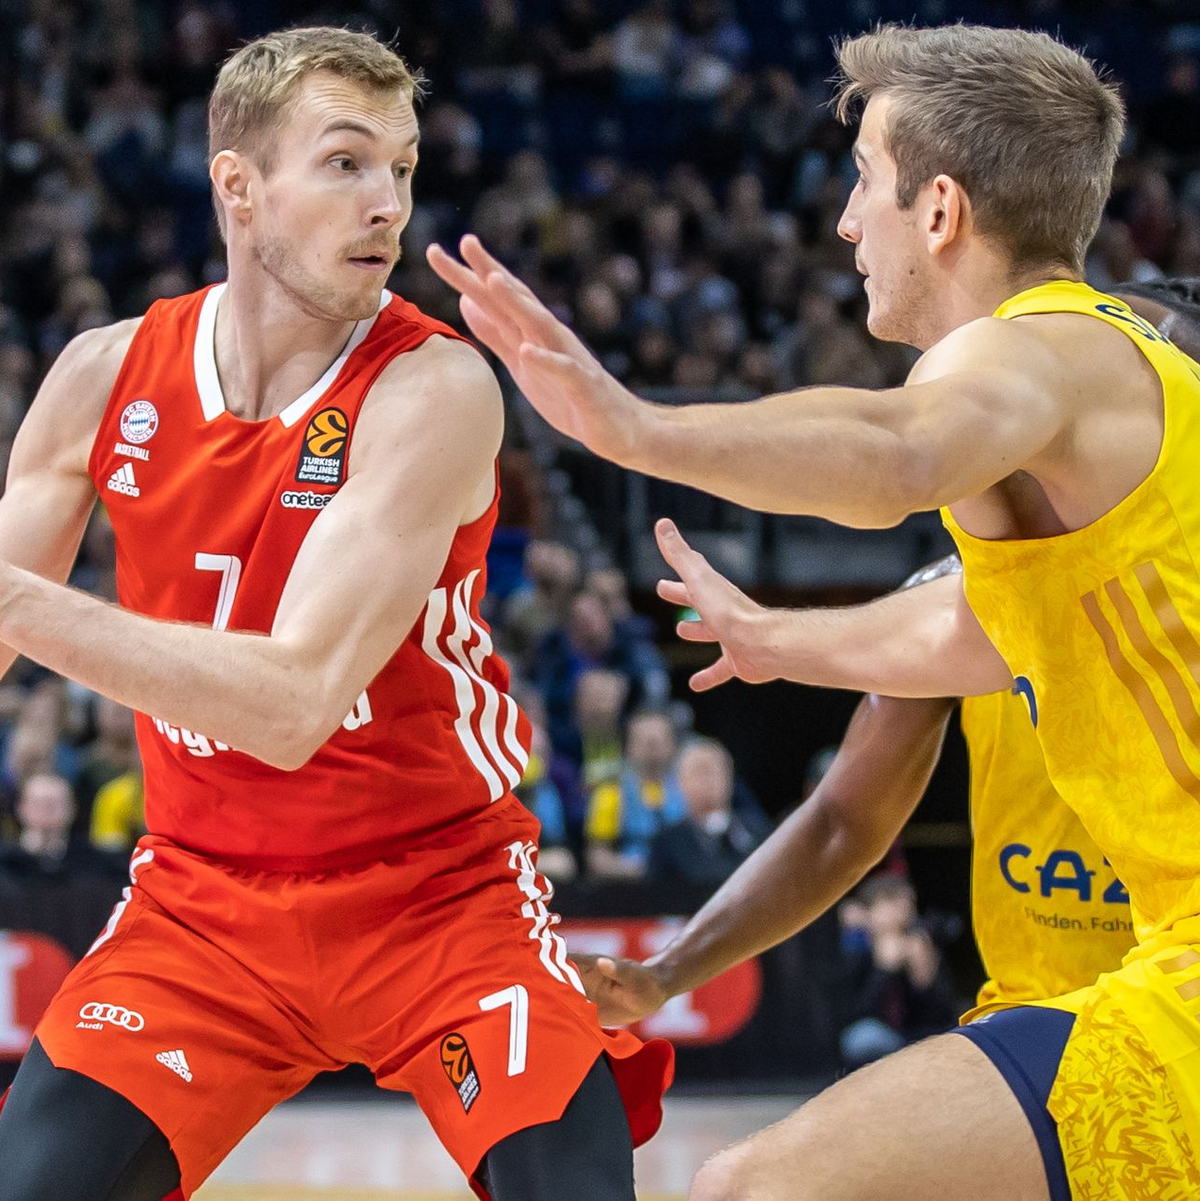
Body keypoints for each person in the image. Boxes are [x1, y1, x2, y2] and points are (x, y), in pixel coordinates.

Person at [429, 22, 1200, 1201]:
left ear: (938, 210)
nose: (845, 222)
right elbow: (971, 636)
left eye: (862, 182)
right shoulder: (1113, 435)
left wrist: (635, 429)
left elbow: (903, 450)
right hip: (1142, 964)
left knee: (749, 1188)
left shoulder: (1041, 355)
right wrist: (784, 641)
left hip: (1176, 973)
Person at [0, 26, 671, 1201]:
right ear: (238, 186)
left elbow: (294, 701)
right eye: (349, 163)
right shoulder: (104, 375)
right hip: (201, 904)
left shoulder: (435, 386)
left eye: (404, 169)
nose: (389, 206)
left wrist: (20, 599)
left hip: (438, 896)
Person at [837, 875, 958, 1069]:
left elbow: (942, 1017)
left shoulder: (920, 944)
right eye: (891, 903)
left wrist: (923, 975)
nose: (902, 911)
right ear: (868, 913)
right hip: (878, 1036)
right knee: (866, 1039)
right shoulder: (855, 949)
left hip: (915, 1035)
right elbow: (853, 1014)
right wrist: (884, 970)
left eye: (908, 903)